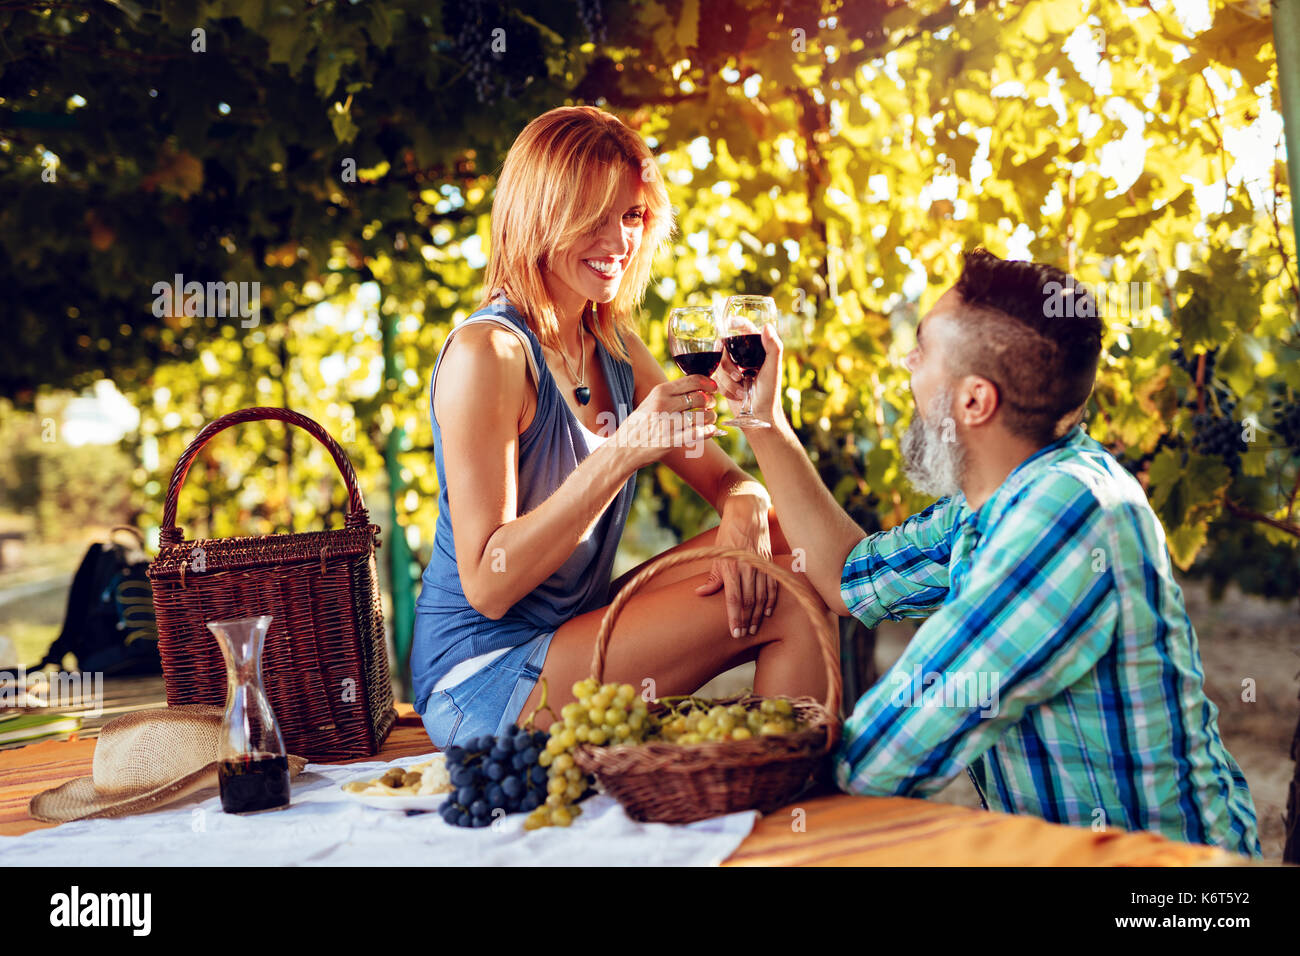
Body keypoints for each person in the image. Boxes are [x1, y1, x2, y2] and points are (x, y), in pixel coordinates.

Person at [715, 248, 1261, 857]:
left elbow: (883, 756)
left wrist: (727, 785)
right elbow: (849, 577)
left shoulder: (1065, 512)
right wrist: (760, 421)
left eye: (921, 351)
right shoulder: (994, 501)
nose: (905, 362)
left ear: (974, 402)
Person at [412, 105, 833, 750]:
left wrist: (746, 502)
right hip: (483, 678)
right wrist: (627, 450)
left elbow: (726, 480)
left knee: (787, 541)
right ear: (540, 214)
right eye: (593, 216)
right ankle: (784, 812)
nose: (618, 241)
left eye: (632, 216)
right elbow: (489, 584)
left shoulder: (611, 344)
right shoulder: (488, 354)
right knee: (788, 592)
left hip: (572, 633)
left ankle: (769, 787)